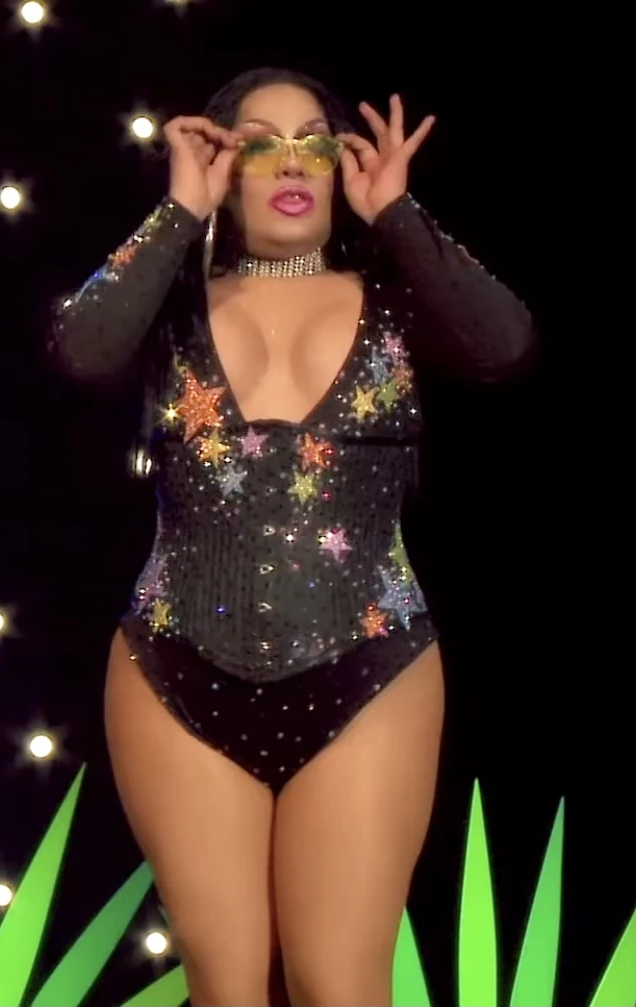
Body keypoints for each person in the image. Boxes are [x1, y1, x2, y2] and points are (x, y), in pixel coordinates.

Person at [50, 67, 535, 1007]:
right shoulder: (171, 307)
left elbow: (503, 343)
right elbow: (81, 347)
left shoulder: (392, 303)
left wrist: (397, 214)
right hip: (174, 667)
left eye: (312, 140)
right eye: (258, 143)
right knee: (226, 990)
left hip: (368, 667)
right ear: (223, 167)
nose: (290, 162)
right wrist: (179, 211)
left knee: (339, 986)